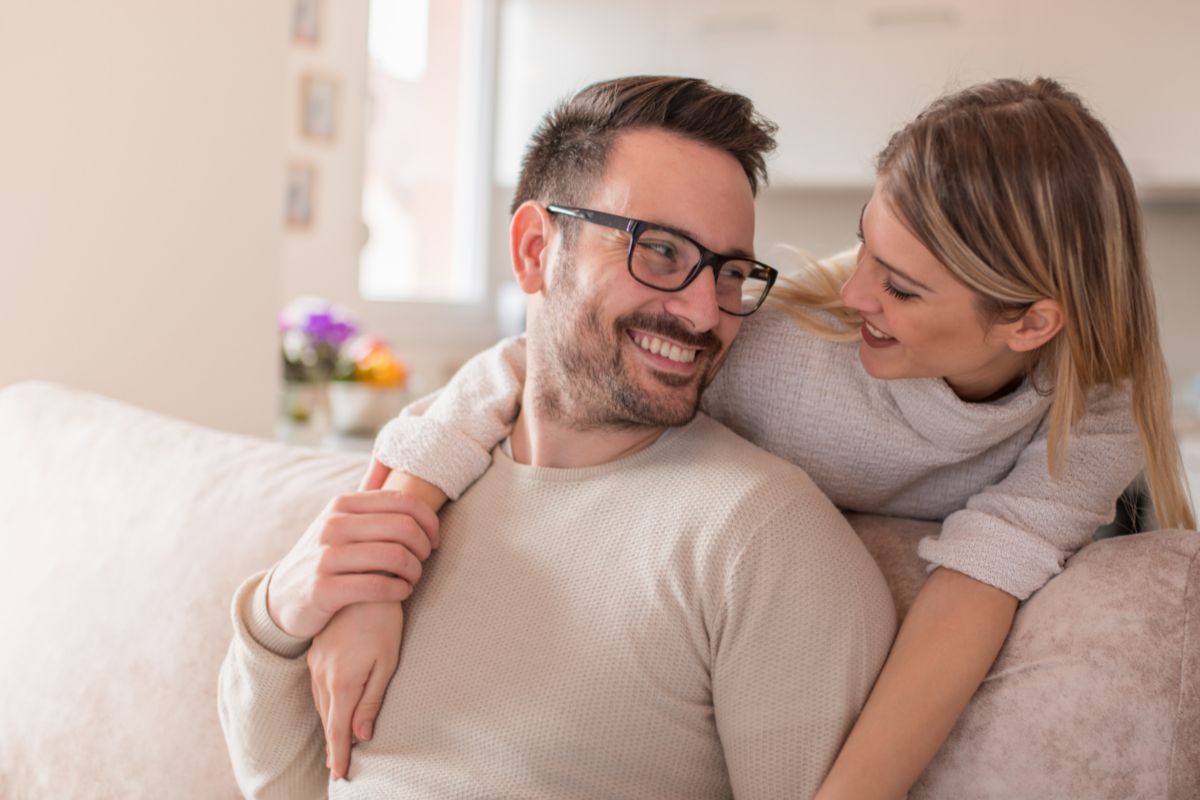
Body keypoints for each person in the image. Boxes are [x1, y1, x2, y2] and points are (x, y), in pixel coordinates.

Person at [307, 76, 1197, 798]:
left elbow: (974, 597)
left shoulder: (1094, 421)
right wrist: (372, 576)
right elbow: (533, 364)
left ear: (1033, 324)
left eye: (903, 288)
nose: (854, 298)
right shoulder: (781, 346)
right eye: (864, 249)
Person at [218, 75, 896, 798]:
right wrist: (275, 617)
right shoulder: (430, 469)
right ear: (536, 248)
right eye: (660, 252)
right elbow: (285, 784)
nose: (704, 313)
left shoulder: (763, 537)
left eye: (730, 273)